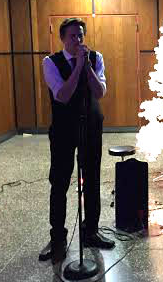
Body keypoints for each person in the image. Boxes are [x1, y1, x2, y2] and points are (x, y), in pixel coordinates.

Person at [39, 17, 114, 263]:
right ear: (62, 38)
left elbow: (100, 92)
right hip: (63, 128)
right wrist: (77, 68)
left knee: (91, 179)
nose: (78, 40)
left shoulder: (96, 58)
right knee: (59, 181)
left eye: (81, 35)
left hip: (91, 125)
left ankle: (90, 230)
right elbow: (62, 95)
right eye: (72, 36)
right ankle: (58, 238)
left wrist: (86, 66)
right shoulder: (50, 62)